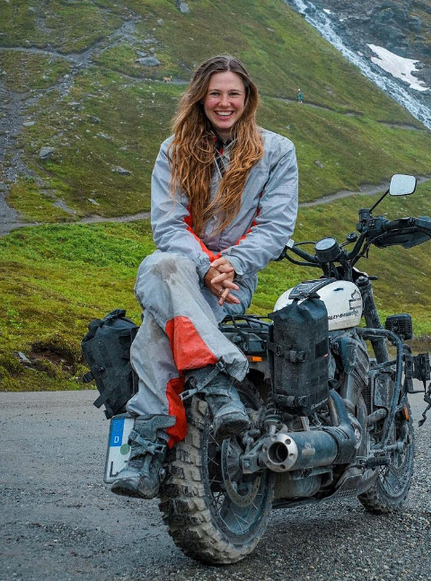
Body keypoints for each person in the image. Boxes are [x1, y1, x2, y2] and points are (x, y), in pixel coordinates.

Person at [111, 55, 299, 500]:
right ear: (200, 97)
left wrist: (227, 266)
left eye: (234, 93)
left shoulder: (276, 151)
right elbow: (169, 225)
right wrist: (205, 265)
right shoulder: (173, 150)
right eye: (215, 93)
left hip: (234, 280)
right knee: (162, 264)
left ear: (247, 98)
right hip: (185, 271)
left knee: (155, 327)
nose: (224, 102)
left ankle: (148, 449)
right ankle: (216, 381)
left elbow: (275, 226)